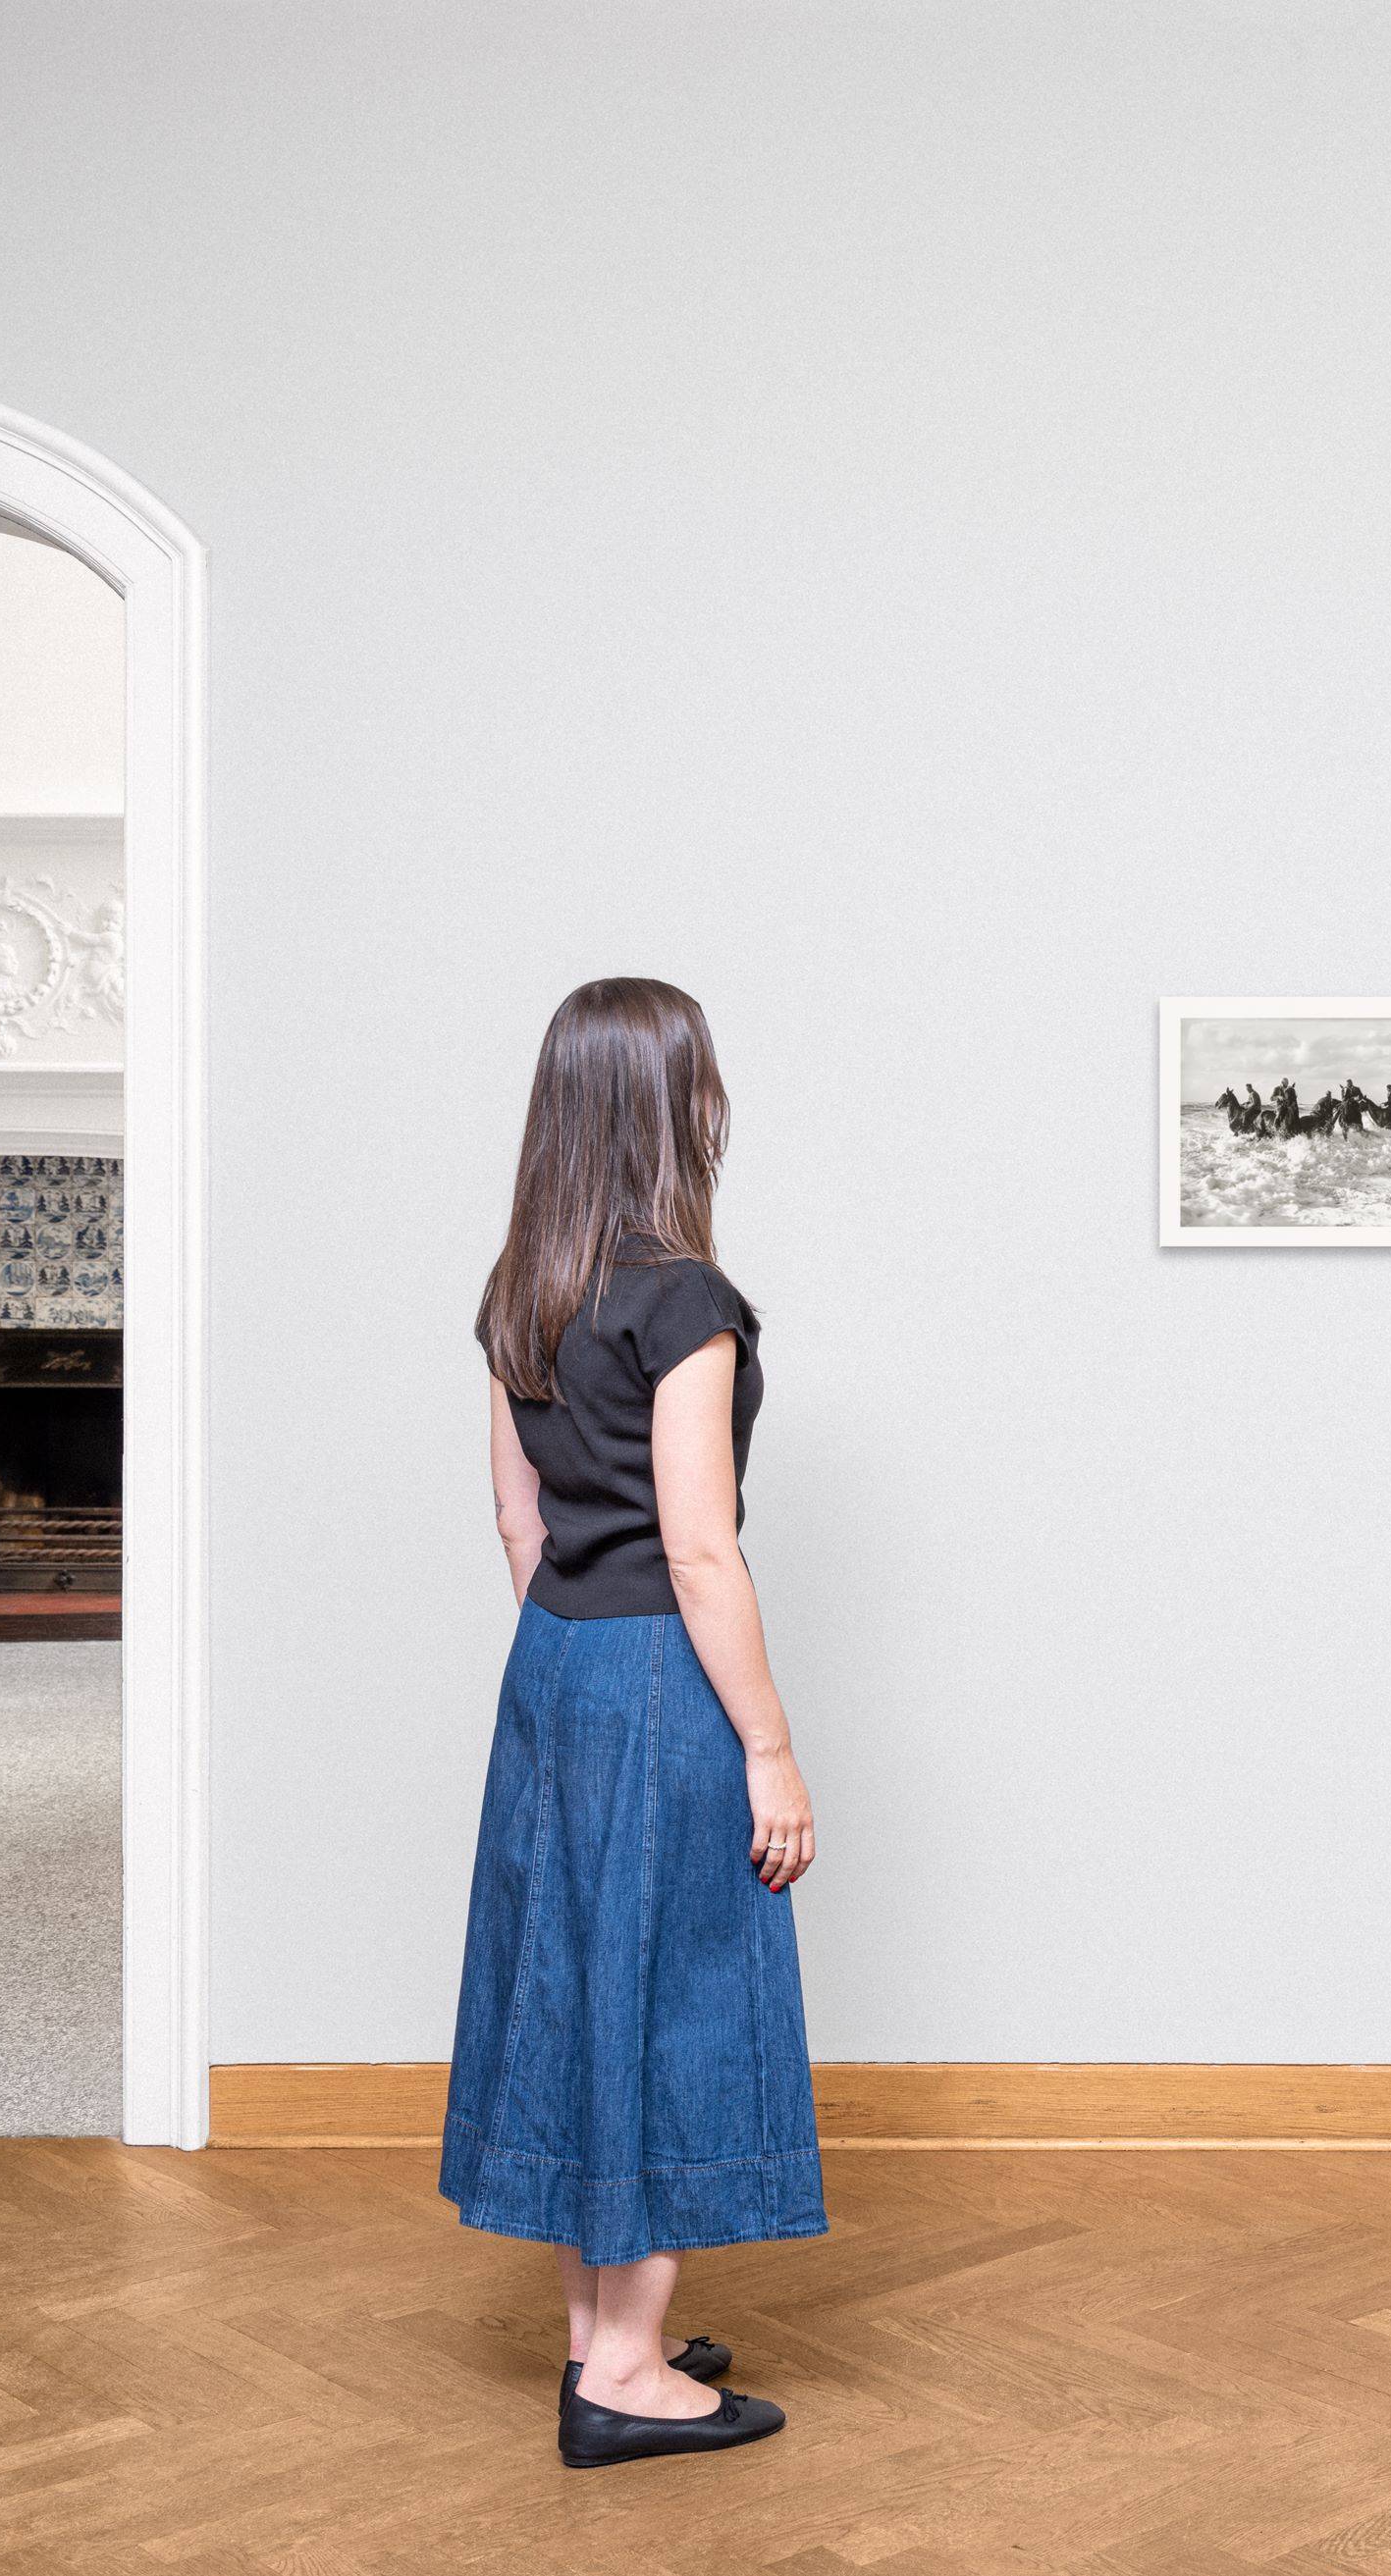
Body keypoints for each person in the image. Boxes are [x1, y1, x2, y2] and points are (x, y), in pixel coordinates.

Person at [452, 975, 824, 2469]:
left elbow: (515, 1517)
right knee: (671, 1991)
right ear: (685, 1107)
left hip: (553, 1664)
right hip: (663, 1668)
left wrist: (570, 1665)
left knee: (577, 1981)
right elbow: (700, 1546)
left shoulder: (518, 1290)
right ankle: (627, 2373)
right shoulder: (687, 1302)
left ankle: (601, 2331)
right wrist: (770, 1744)